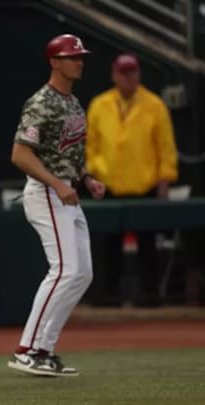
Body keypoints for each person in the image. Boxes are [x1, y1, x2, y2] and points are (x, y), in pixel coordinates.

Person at [7, 34, 106, 377]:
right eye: (71, 57)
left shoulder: (73, 102)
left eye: (80, 57)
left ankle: (44, 350)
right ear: (55, 62)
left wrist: (87, 177)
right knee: (64, 269)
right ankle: (25, 349)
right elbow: (20, 154)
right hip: (46, 193)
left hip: (67, 192)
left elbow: (68, 153)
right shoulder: (41, 103)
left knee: (82, 274)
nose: (79, 61)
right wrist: (58, 183)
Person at [86, 53, 178, 306]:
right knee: (108, 247)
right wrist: (92, 173)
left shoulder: (155, 105)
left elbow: (166, 147)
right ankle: (107, 297)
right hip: (109, 185)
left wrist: (164, 180)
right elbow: (90, 145)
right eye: (123, 72)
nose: (128, 77)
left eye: (133, 72)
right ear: (115, 75)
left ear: (139, 74)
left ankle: (149, 296)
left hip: (144, 185)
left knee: (148, 245)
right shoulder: (99, 105)